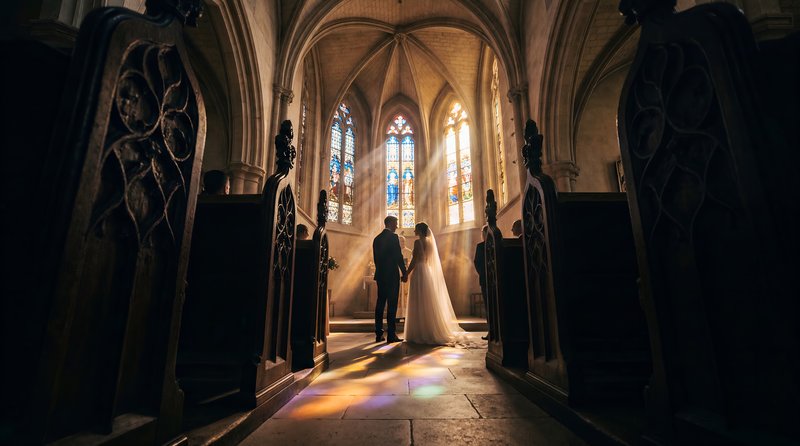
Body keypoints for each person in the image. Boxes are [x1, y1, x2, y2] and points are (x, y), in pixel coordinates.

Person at [404, 222, 467, 345]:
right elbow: (427, 259)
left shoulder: (418, 242)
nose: (413, 231)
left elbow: (415, 260)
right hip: (427, 271)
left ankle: (418, 332)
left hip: (419, 272)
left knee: (418, 300)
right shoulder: (430, 243)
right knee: (427, 300)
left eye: (415, 229)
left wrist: (407, 272)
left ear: (420, 231)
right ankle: (429, 330)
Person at [372, 216, 407, 343]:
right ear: (390, 223)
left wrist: (381, 270)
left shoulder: (376, 239)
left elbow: (376, 259)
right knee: (392, 305)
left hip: (381, 275)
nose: (397, 226)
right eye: (396, 223)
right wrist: (404, 272)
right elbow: (398, 256)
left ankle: (378, 333)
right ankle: (391, 335)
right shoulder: (393, 237)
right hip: (392, 275)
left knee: (380, 304)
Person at [473, 225, 489, 340]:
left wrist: (483, 273)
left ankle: (492, 331)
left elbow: (477, 263)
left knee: (489, 306)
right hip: (491, 279)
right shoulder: (500, 243)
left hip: (485, 279)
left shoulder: (480, 246)